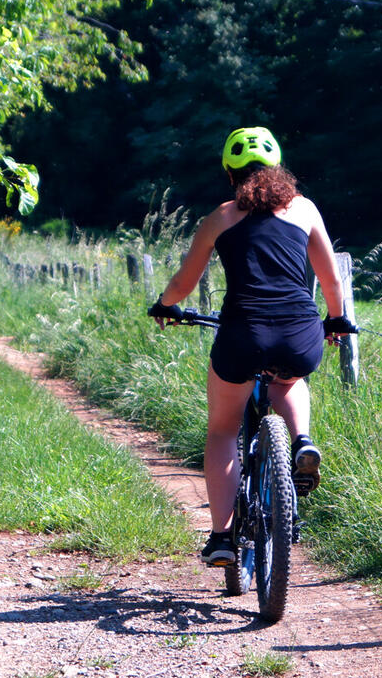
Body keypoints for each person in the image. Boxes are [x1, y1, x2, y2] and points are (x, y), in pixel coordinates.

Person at [148, 126, 357, 567]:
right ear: (279, 167)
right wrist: (336, 318)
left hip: (243, 333)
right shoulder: (304, 210)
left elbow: (185, 283)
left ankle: (222, 537)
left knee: (223, 430)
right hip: (299, 330)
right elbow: (330, 279)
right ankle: (301, 441)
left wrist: (165, 305)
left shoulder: (220, 218)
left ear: (230, 173)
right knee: (289, 378)